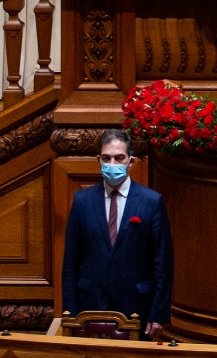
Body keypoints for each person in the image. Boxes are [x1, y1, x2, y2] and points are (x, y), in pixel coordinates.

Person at [59, 129, 173, 336]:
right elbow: (70, 263)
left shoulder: (151, 202)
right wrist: (70, 313)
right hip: (90, 304)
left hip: (137, 306)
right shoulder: (82, 201)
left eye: (119, 158)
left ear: (130, 161)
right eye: (106, 158)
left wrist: (159, 313)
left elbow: (162, 263)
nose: (112, 163)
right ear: (98, 160)